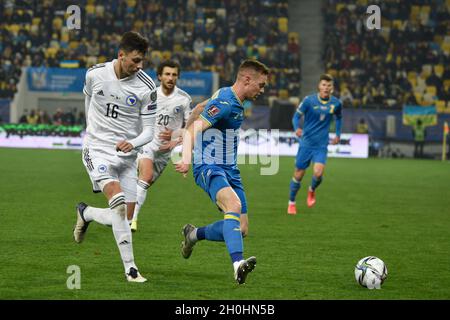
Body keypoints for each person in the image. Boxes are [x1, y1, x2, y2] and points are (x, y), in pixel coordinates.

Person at [72, 31, 157, 283]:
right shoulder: (94, 74)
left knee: (124, 217)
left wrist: (132, 143)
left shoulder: (147, 87)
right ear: (121, 55)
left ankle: (86, 213)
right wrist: (93, 134)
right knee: (118, 203)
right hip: (97, 149)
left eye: (142, 61)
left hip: (128, 155)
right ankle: (131, 270)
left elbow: (150, 131)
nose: (139, 66)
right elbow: (88, 102)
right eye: (134, 60)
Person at [175, 59, 269, 285]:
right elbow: (195, 129)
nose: (262, 90)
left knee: (242, 228)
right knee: (233, 206)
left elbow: (198, 109)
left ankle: (193, 234)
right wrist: (186, 157)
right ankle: (238, 264)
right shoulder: (226, 102)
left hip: (230, 170)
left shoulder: (226, 94)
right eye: (261, 85)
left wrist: (182, 131)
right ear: (247, 79)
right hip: (208, 166)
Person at [130, 60, 192, 232]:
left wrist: (174, 140)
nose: (170, 78)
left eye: (174, 75)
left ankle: (107, 213)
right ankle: (132, 220)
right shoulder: (150, 95)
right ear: (159, 76)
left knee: (138, 187)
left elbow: (188, 129)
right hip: (147, 144)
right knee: (146, 176)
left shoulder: (184, 99)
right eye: (167, 74)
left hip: (164, 153)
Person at [287, 74, 342, 215]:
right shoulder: (308, 101)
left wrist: (337, 134)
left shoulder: (336, 103)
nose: (326, 88)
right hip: (306, 143)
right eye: (324, 85)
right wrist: (296, 129)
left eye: (329, 85)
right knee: (298, 174)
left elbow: (339, 118)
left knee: (318, 173)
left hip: (321, 145)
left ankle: (311, 190)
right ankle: (291, 202)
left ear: (332, 88)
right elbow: (296, 117)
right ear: (319, 86)